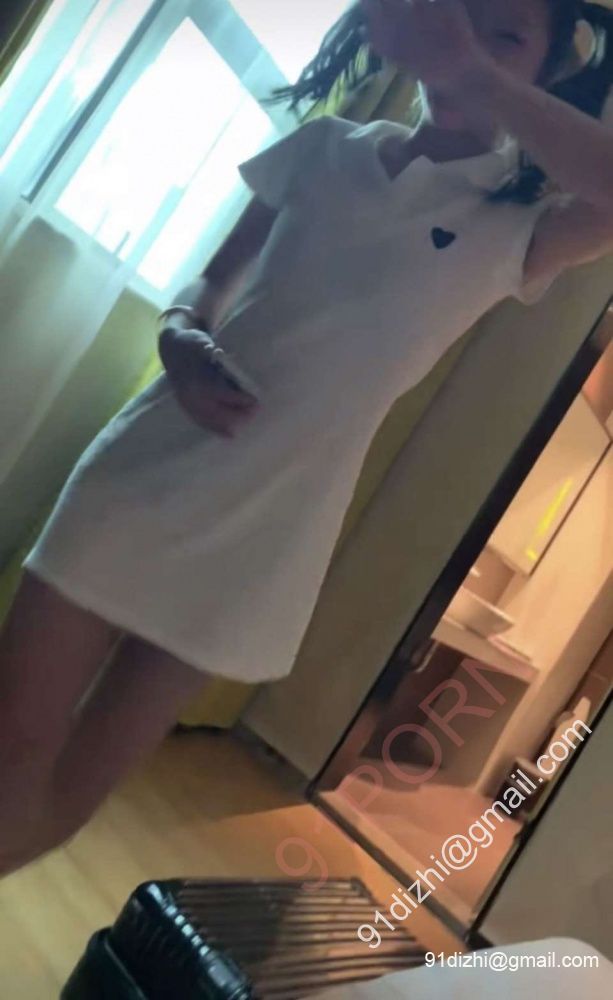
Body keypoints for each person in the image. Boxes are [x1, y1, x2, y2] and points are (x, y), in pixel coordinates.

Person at [1, 0, 612, 877]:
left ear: (548, 75)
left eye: (503, 36)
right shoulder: (326, 149)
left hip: (270, 541)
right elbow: (206, 286)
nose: (465, 42)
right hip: (146, 471)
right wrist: (179, 336)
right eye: (458, 18)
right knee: (12, 746)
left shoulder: (523, 228)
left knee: (72, 798)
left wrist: (471, 73)